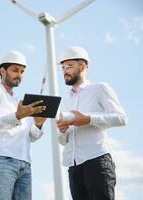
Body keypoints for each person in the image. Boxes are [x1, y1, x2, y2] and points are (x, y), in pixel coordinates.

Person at [56, 46, 127, 200]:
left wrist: (88, 119)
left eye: (69, 66)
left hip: (97, 162)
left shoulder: (100, 88)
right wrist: (62, 131)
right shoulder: (65, 103)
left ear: (82, 66)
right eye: (62, 68)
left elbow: (121, 118)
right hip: (73, 167)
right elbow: (62, 141)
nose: (65, 71)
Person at [0, 50, 47, 200]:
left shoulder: (21, 103)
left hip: (25, 164)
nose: (19, 75)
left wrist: (38, 125)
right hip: (2, 160)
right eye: (15, 70)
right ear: (2, 71)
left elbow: (31, 137)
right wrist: (17, 115)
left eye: (22, 71)